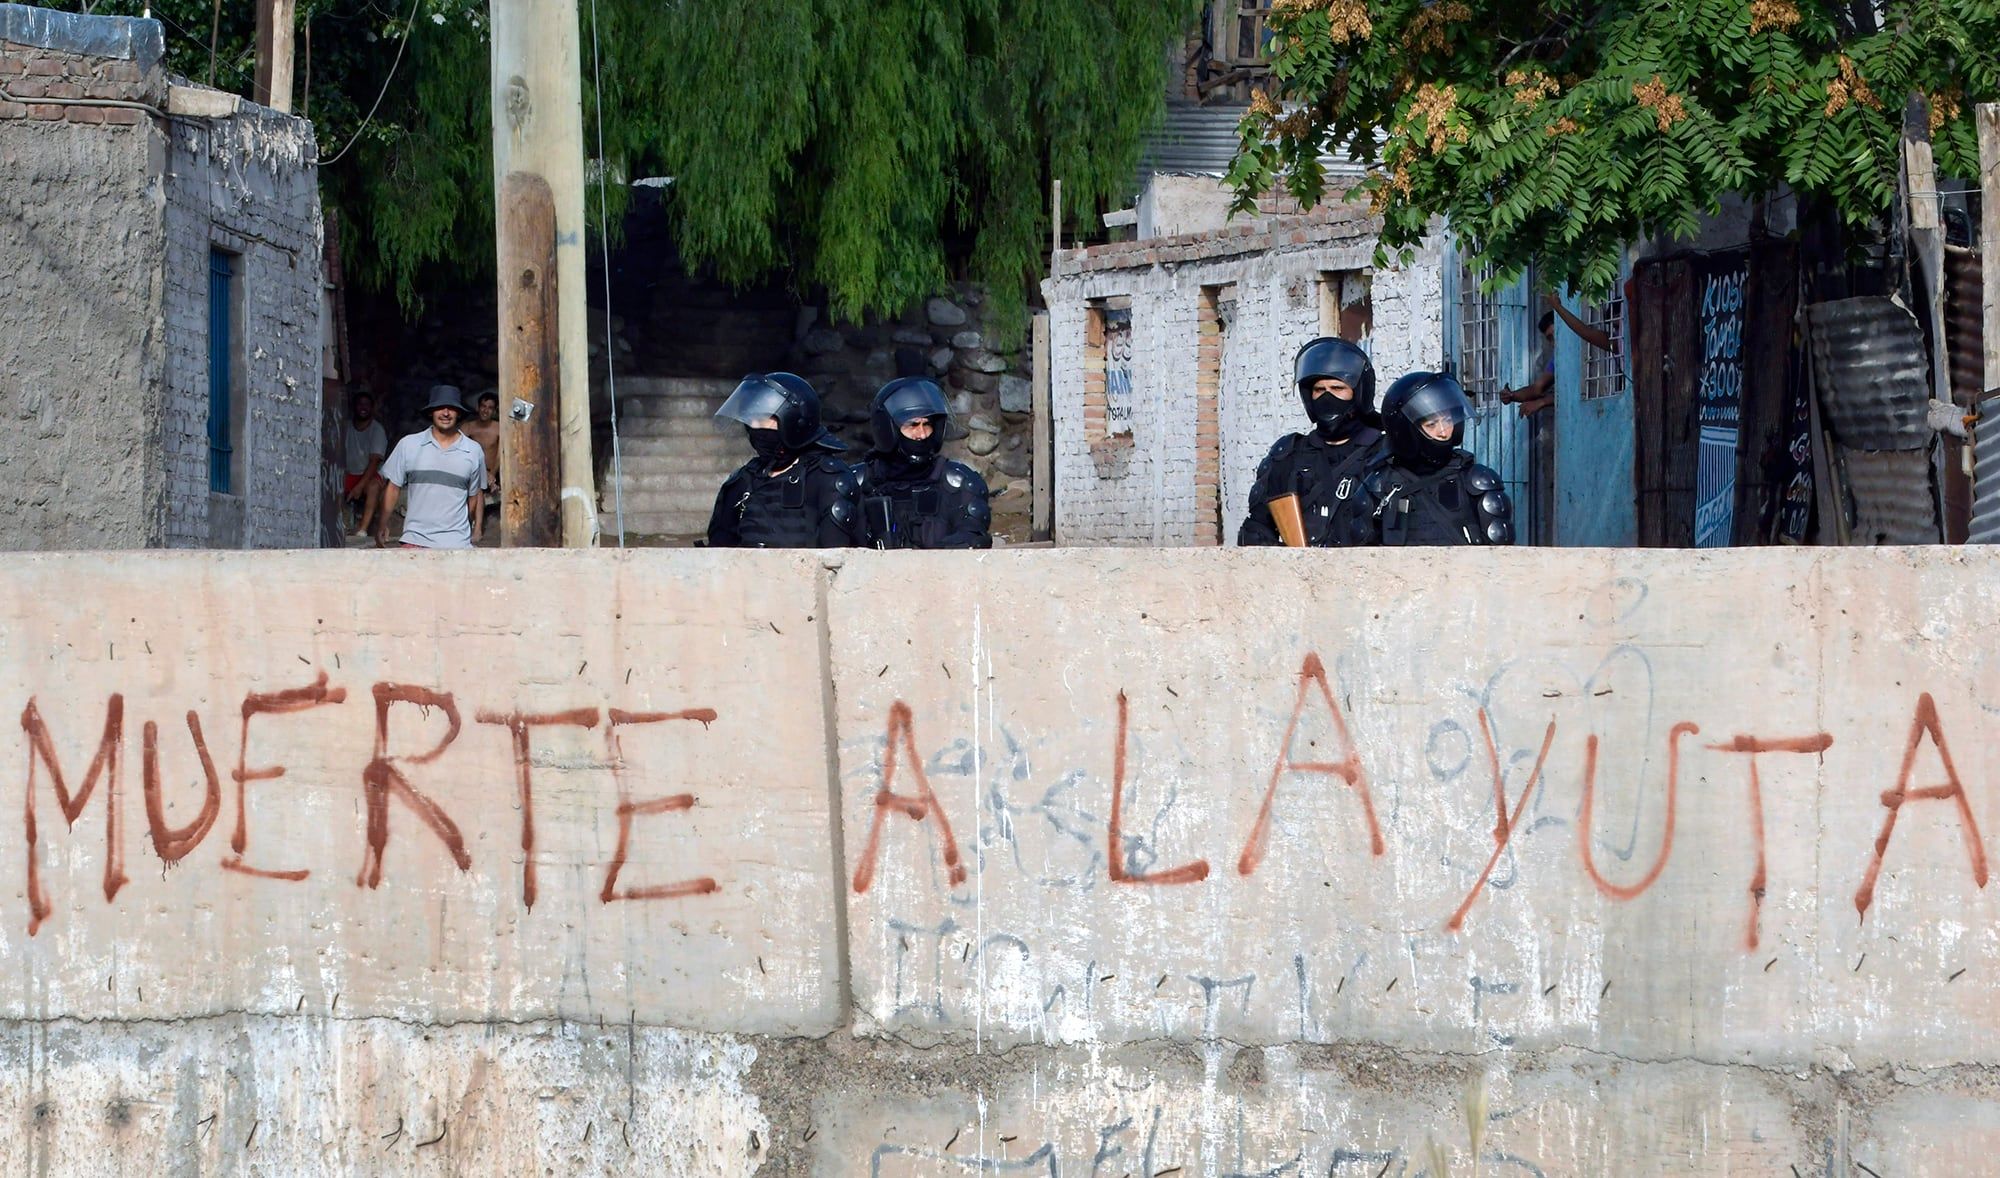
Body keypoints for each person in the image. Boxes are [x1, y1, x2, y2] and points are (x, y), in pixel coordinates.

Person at [1238, 337, 1384, 547]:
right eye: (1319, 390)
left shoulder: (1384, 454)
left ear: (1358, 393)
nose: (1327, 397)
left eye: (1337, 388)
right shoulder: (1288, 455)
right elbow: (1256, 530)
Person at [706, 372, 863, 548]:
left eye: (764, 419)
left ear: (794, 421)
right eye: (752, 420)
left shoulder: (827, 478)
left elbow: (837, 557)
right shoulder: (742, 481)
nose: (755, 428)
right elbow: (719, 554)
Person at [1365, 372, 1513, 546]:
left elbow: (1502, 557)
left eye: (1448, 420)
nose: (1443, 432)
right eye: (1431, 424)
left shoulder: (1477, 481)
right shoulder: (1379, 485)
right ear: (1406, 430)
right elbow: (1359, 561)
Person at [856, 377, 991, 549]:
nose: (921, 434)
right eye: (912, 425)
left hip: (941, 574)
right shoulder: (859, 483)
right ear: (888, 428)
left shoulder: (958, 483)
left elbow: (973, 538)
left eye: (927, 424)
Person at [377, 385, 487, 549]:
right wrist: (382, 524)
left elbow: (473, 498)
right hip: (415, 540)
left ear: (459, 413)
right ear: (430, 412)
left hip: (457, 544)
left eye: (451, 408)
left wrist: (463, 530)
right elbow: (393, 488)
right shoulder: (409, 445)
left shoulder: (473, 451)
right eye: (440, 408)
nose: (446, 413)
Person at [342, 391, 389, 539]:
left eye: (367, 405)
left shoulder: (377, 430)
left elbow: (374, 462)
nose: (363, 408)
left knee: (373, 487)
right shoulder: (346, 427)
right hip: (350, 473)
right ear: (354, 407)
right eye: (360, 404)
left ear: (372, 408)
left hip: (369, 474)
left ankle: (362, 530)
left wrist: (360, 486)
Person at [462, 390, 501, 534]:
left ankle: (477, 529)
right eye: (483, 406)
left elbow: (500, 455)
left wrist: (493, 474)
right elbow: (458, 451)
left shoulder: (499, 428)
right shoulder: (468, 428)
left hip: (494, 471)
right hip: (473, 471)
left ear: (494, 410)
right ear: (478, 407)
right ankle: (472, 526)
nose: (486, 410)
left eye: (490, 408)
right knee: (476, 485)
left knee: (479, 486)